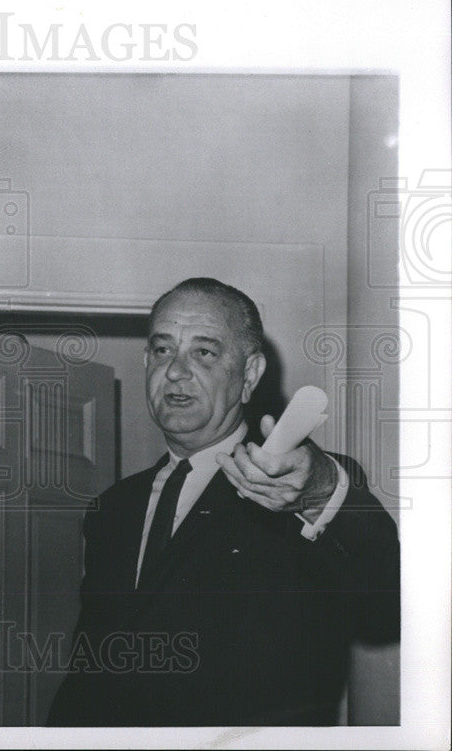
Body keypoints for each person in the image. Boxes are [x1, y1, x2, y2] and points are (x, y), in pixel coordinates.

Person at [47, 278, 399, 726]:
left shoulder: (295, 486)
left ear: (249, 375)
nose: (175, 371)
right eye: (161, 350)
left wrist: (324, 491)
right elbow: (90, 669)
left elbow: (385, 595)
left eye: (204, 352)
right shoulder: (112, 508)